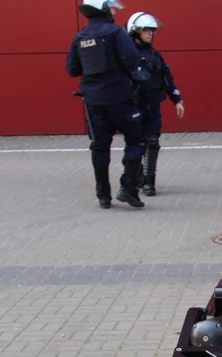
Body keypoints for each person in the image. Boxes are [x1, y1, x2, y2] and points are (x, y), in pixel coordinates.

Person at [66, 0, 149, 210]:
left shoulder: (80, 36)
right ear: (103, 9)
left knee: (99, 147)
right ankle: (128, 188)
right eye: (111, 7)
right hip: (120, 97)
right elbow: (131, 60)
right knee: (137, 140)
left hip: (94, 101)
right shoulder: (115, 32)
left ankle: (103, 195)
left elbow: (72, 70)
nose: (114, 11)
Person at [127, 12, 184, 197]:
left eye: (152, 31)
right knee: (137, 143)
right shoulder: (127, 55)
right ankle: (136, 178)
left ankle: (149, 182)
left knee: (153, 143)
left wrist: (176, 99)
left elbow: (166, 78)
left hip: (152, 105)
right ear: (135, 32)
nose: (150, 34)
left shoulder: (155, 55)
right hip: (134, 106)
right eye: (146, 30)